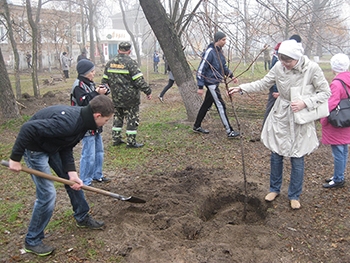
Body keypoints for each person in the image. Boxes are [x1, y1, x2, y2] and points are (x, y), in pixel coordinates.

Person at [6, 95, 114, 256]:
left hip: (52, 146)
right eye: (106, 120)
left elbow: (66, 145)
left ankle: (82, 216)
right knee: (47, 194)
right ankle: (32, 240)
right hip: (35, 149)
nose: (105, 124)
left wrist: (72, 173)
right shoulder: (69, 123)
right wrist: (15, 159)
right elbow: (27, 128)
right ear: (97, 115)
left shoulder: (83, 122)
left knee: (74, 182)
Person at [229, 39, 331, 209]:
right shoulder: (278, 67)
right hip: (281, 114)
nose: (284, 64)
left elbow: (325, 92)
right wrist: (242, 88)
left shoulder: (311, 68)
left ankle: (294, 195)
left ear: (297, 58)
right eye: (282, 60)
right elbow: (264, 82)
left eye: (288, 61)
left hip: (300, 116)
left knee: (297, 156)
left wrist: (305, 102)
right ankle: (274, 188)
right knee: (276, 153)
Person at [102, 42, 152, 148]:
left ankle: (116, 139)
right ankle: (131, 142)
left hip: (116, 97)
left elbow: (104, 81)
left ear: (118, 50)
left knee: (117, 117)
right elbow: (139, 81)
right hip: (131, 98)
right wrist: (148, 91)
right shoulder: (131, 63)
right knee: (132, 119)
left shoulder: (110, 63)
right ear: (129, 51)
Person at [71, 59, 111, 186]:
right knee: (88, 154)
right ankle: (85, 180)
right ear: (85, 73)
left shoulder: (90, 83)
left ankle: (97, 175)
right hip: (85, 122)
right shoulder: (78, 85)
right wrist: (96, 93)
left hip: (95, 122)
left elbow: (97, 99)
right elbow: (84, 102)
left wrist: (103, 92)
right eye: (92, 71)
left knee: (99, 151)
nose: (94, 73)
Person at [193, 31, 240, 138]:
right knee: (221, 105)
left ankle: (196, 126)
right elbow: (201, 69)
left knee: (206, 105)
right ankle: (229, 131)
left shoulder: (219, 52)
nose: (225, 42)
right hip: (211, 83)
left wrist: (231, 76)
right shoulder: (210, 52)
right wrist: (200, 86)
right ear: (218, 40)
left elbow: (223, 66)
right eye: (223, 40)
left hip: (215, 82)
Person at [321, 53, 350, 188]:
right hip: (346, 120)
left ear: (334, 67)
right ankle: (339, 174)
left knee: (338, 151)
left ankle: (338, 179)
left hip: (337, 122)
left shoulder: (337, 84)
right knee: (343, 149)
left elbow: (330, 104)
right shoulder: (348, 79)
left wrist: (323, 119)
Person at [262, 35, 302, 125]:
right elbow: (275, 76)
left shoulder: (295, 57)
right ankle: (265, 130)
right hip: (277, 89)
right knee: (272, 109)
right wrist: (278, 91)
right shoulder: (282, 54)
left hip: (286, 91)